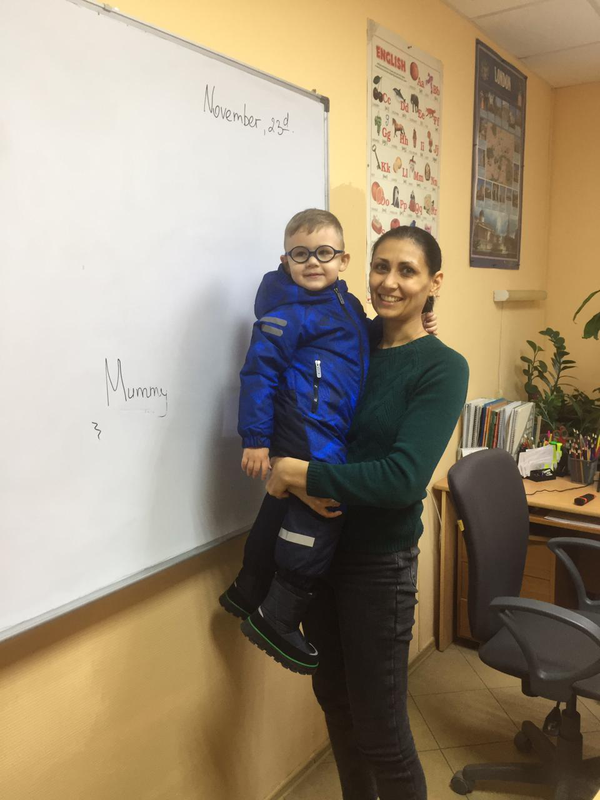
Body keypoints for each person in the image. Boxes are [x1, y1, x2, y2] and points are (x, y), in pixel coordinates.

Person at [266, 225, 469, 800]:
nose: (389, 282)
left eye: (407, 271)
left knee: (381, 732)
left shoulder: (442, 367)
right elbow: (292, 402)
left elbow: (402, 479)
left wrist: (299, 475)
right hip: (317, 549)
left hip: (378, 564)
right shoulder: (346, 338)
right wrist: (289, 467)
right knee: (335, 702)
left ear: (434, 282)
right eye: (381, 267)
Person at [219, 209, 437, 675]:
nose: (313, 263)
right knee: (322, 511)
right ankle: (279, 614)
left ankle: (249, 587)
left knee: (285, 501)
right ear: (285, 261)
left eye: (324, 253)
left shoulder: (346, 303)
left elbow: (353, 337)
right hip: (308, 424)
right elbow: (257, 376)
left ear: (342, 260)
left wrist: (422, 320)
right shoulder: (286, 313)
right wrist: (255, 438)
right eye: (301, 255)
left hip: (324, 425)